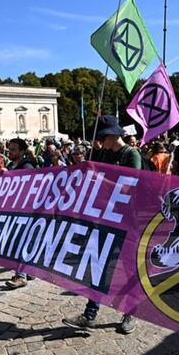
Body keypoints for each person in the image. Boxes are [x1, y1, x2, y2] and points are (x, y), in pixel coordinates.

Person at [63, 116, 137, 334]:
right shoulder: (104, 153)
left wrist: (99, 179)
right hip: (105, 217)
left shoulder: (131, 155)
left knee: (128, 268)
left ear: (112, 136)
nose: (98, 142)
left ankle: (130, 312)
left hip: (127, 219)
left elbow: (130, 187)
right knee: (99, 264)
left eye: (101, 137)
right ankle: (90, 315)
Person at [3, 138, 39, 288]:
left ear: (22, 151)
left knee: (20, 241)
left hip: (26, 210)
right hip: (14, 210)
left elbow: (30, 186)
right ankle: (29, 270)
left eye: (13, 149)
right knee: (20, 241)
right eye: (9, 149)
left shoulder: (28, 166)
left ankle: (21, 276)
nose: (10, 152)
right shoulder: (11, 165)